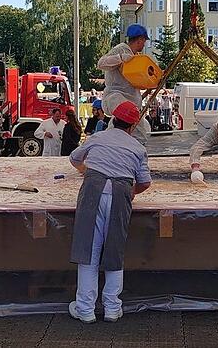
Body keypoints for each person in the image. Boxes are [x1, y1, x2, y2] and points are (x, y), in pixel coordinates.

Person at [68, 101, 151, 324]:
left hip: (93, 192)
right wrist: (130, 191)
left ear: (113, 119)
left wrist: (86, 171)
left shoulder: (97, 137)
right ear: (133, 127)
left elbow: (74, 158)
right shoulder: (137, 148)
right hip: (121, 194)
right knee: (115, 250)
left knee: (89, 251)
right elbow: (145, 182)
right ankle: (113, 308)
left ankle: (85, 309)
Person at [97, 24, 151, 144]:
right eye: (144, 41)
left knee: (140, 136)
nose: (144, 44)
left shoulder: (136, 57)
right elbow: (101, 63)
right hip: (115, 98)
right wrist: (120, 58)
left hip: (131, 104)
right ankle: (108, 147)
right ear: (140, 39)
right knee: (119, 128)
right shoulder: (121, 49)